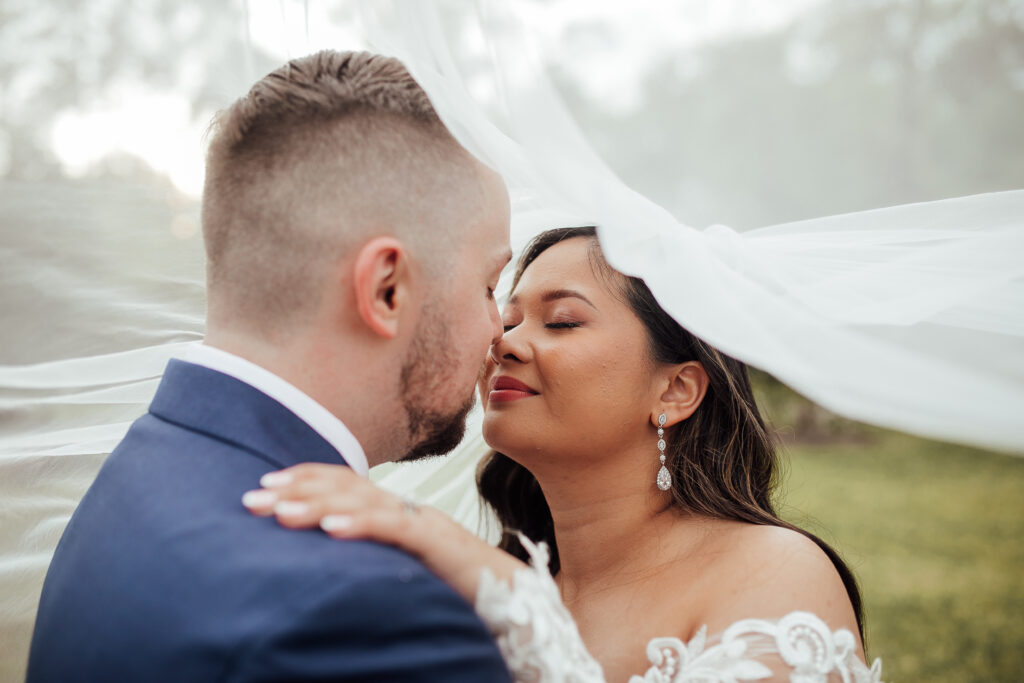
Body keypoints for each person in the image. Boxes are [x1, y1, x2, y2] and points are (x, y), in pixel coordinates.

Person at [26, 50, 514, 682]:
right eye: (487, 284)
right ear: (387, 289)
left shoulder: (141, 469)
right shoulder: (373, 616)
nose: (498, 328)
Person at [242, 226, 885, 682]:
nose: (506, 343)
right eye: (509, 318)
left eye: (562, 321)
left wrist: (505, 600)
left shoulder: (771, 572)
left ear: (676, 389)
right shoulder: (491, 583)